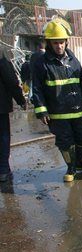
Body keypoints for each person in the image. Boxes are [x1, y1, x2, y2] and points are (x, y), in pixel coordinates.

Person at [32, 20, 82, 182]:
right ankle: (71, 168)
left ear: (66, 42)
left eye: (61, 42)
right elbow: (37, 89)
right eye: (55, 43)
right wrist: (41, 110)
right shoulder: (42, 63)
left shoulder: (73, 60)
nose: (59, 46)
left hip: (76, 110)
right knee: (65, 141)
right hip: (58, 113)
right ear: (49, 43)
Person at [0, 49, 27, 182]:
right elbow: (11, 81)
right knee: (3, 137)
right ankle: (3, 170)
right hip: (1, 108)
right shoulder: (1, 58)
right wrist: (21, 100)